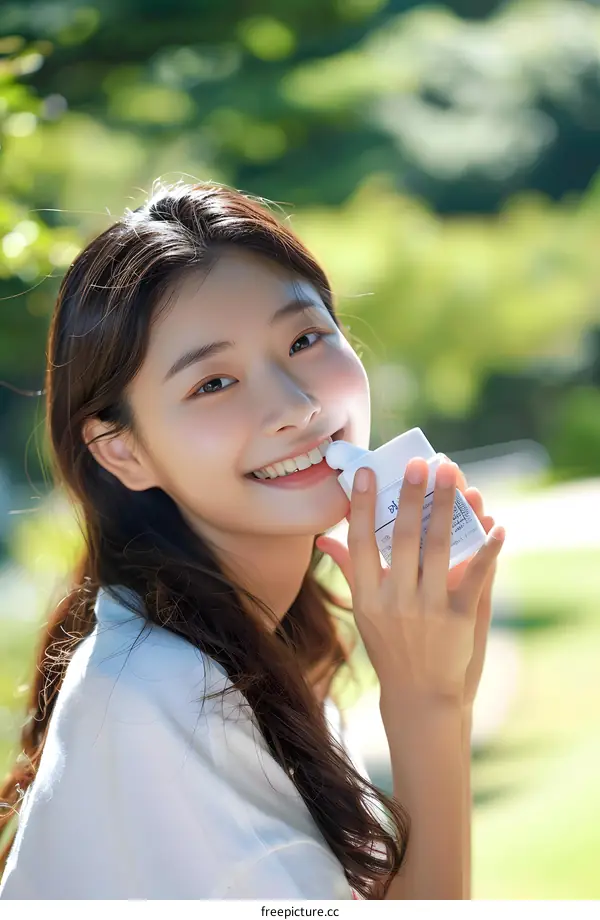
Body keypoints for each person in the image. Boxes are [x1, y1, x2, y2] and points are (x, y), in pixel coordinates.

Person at [0, 181, 504, 900]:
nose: (296, 408)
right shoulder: (155, 694)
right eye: (214, 383)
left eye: (304, 340)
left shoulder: (259, 654)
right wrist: (426, 707)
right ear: (123, 451)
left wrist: (447, 688)